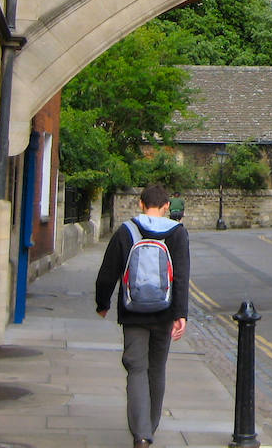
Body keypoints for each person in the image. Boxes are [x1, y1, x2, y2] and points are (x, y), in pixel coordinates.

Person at [95, 184, 190, 448]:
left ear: (140, 203)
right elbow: (181, 276)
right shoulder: (177, 233)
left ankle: (141, 434)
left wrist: (102, 303)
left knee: (136, 368)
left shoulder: (126, 231)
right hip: (164, 311)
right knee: (156, 369)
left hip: (132, 311)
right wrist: (180, 314)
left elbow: (107, 272)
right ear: (167, 206)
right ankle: (151, 425)